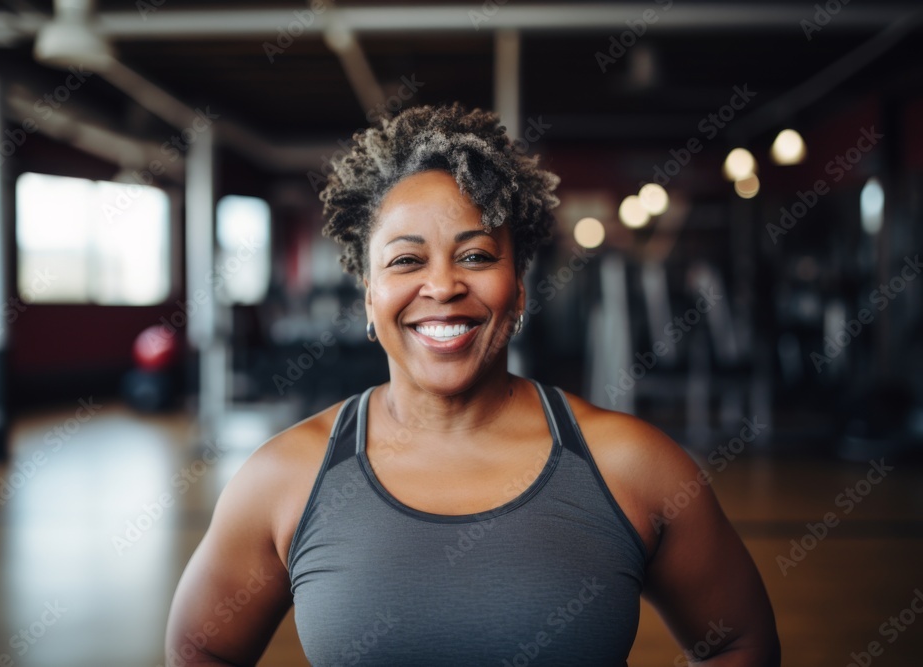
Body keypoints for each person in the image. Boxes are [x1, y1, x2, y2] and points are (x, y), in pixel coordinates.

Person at [165, 103, 781, 666]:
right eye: (406, 260)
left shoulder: (634, 465)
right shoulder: (285, 477)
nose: (443, 287)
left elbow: (740, 641)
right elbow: (201, 650)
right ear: (369, 294)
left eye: (477, 256)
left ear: (518, 285)